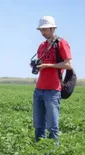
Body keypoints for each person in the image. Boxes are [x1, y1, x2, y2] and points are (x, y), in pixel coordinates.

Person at [30, 16, 72, 145]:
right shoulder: (41, 46)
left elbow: (68, 64)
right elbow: (42, 63)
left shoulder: (61, 43)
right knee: (38, 125)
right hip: (39, 89)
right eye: (41, 30)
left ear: (53, 28)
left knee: (53, 126)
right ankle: (39, 150)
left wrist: (48, 65)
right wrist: (36, 65)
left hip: (53, 90)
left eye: (45, 30)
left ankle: (53, 154)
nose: (43, 33)